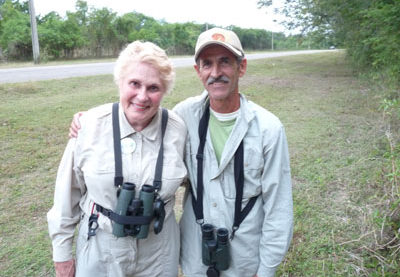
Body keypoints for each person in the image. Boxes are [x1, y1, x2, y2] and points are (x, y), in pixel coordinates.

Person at [70, 28, 293, 277]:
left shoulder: (269, 129)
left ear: (241, 67)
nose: (216, 72)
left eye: (225, 62)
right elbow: (143, 119)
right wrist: (87, 120)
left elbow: (279, 207)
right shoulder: (183, 116)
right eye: (207, 64)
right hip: (194, 259)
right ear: (198, 71)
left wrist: (266, 270)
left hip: (245, 259)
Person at [47, 41, 187, 277]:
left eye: (153, 87)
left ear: (164, 91)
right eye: (134, 83)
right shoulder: (90, 126)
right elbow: (65, 196)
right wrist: (62, 255)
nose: (142, 96)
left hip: (159, 250)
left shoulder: (178, 130)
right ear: (120, 82)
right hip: (100, 246)